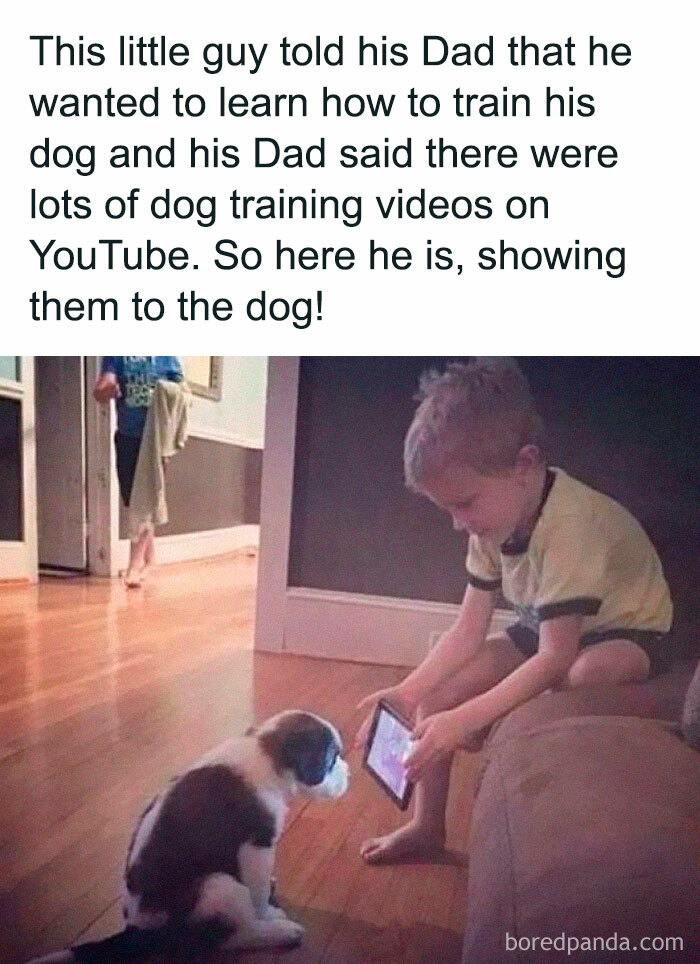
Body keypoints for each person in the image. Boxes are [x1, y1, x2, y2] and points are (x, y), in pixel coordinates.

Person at [355, 358, 673, 864]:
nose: (460, 524)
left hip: (624, 630)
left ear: (525, 466)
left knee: (588, 670)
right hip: (544, 625)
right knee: (438, 697)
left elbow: (555, 656)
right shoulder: (489, 526)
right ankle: (426, 828)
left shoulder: (571, 523)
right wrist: (408, 691)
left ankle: (511, 711)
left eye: (466, 503)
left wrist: (476, 713)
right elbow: (466, 630)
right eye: (449, 510)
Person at [93, 356, 184, 587]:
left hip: (155, 438)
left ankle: (134, 565)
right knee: (131, 499)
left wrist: (169, 391)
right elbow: (101, 391)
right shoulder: (117, 354)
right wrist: (105, 390)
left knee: (143, 498)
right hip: (127, 435)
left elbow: (182, 391)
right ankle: (150, 559)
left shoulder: (167, 355)